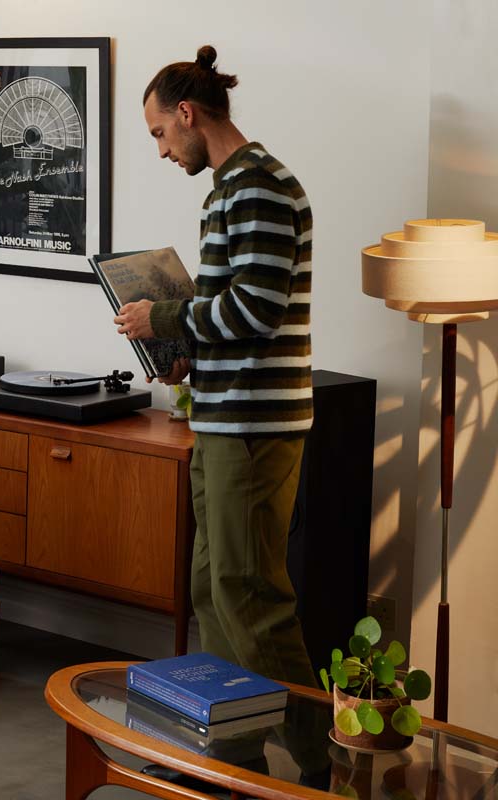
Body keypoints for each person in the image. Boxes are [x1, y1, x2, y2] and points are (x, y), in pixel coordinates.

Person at [114, 45, 316, 690]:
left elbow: (256, 309)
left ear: (187, 113)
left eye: (159, 133)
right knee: (212, 587)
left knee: (249, 597)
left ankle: (318, 750)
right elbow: (236, 310)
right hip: (224, 419)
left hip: (252, 426)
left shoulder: (257, 185)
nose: (162, 151)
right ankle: (234, 740)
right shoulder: (229, 189)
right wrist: (189, 358)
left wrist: (164, 318)